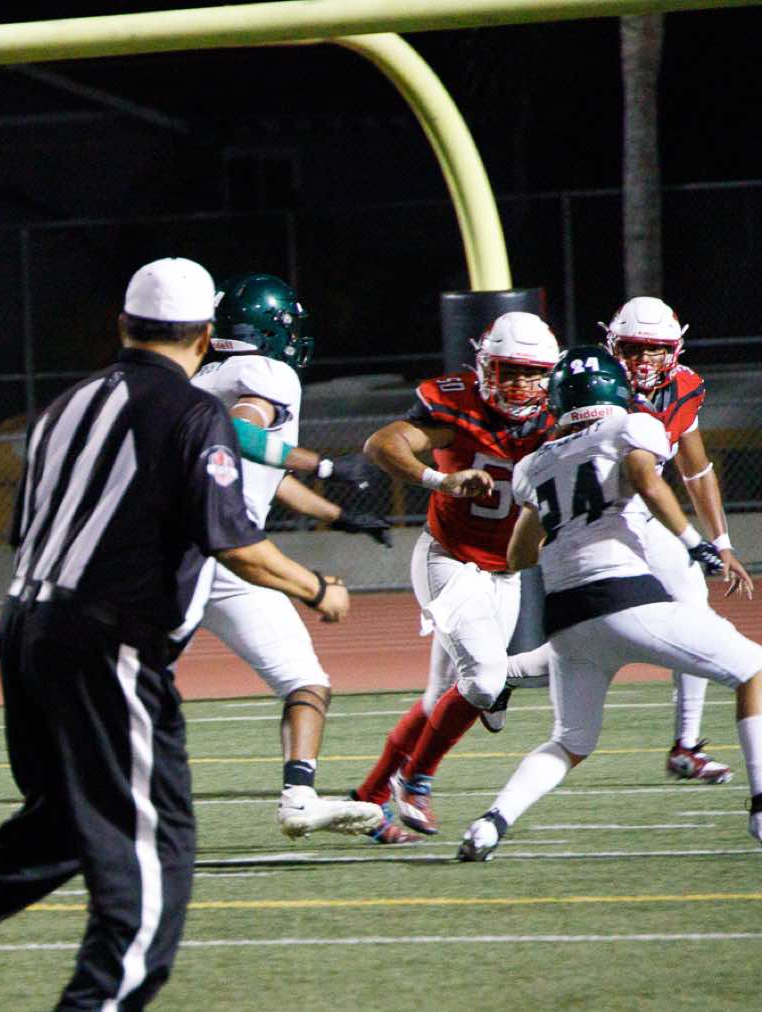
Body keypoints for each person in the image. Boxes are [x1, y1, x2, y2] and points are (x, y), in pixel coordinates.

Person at [0, 259, 356, 1012]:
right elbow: (233, 539)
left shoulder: (64, 408)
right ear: (204, 336)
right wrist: (316, 587)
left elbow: (29, 530)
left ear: (123, 325)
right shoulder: (193, 412)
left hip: (23, 628)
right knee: (159, 836)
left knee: (68, 821)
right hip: (106, 639)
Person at [456, 346, 762, 860]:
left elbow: (518, 555)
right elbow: (645, 478)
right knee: (753, 669)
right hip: (626, 596)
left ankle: (491, 823)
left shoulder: (534, 464)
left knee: (570, 741)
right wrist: (697, 545)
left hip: (566, 619)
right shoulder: (631, 426)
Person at [496, 298, 754, 780]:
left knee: (673, 608)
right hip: (591, 520)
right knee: (601, 629)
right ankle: (506, 672)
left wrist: (722, 541)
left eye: (655, 349)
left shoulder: (683, 387)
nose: (644, 360)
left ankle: (686, 744)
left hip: (640, 515)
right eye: (634, 348)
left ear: (674, 350)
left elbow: (696, 471)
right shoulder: (592, 383)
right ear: (613, 345)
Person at [180, 273, 388, 840]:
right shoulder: (267, 373)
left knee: (137, 685)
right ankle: (297, 798)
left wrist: (339, 516)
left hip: (179, 549)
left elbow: (263, 472)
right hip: (228, 550)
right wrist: (325, 464)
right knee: (305, 683)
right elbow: (239, 436)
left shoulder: (201, 378)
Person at [349, 311, 560, 838]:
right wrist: (438, 480)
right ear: (486, 366)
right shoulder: (458, 404)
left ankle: (369, 800)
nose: (521, 384)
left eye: (532, 373)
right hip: (450, 559)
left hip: (505, 574)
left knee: (442, 697)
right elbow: (382, 444)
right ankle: (416, 780)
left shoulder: (560, 416)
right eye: (510, 371)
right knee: (485, 680)